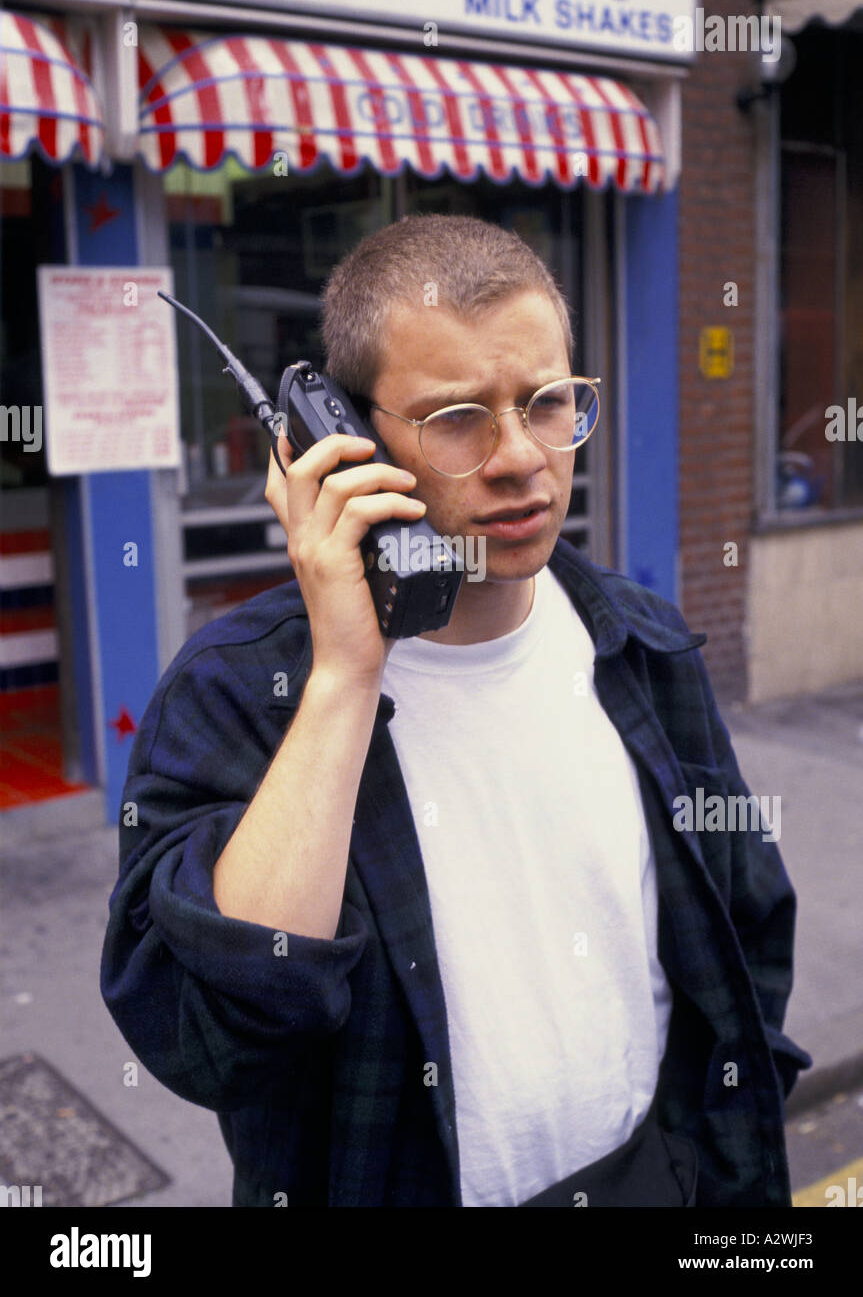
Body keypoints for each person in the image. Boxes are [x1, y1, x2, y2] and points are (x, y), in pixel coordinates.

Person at [101, 214, 810, 1208]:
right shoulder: (239, 690)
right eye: (457, 417)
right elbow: (204, 1037)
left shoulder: (641, 641)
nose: (521, 455)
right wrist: (346, 676)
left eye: (547, 402)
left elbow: (744, 920)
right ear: (342, 440)